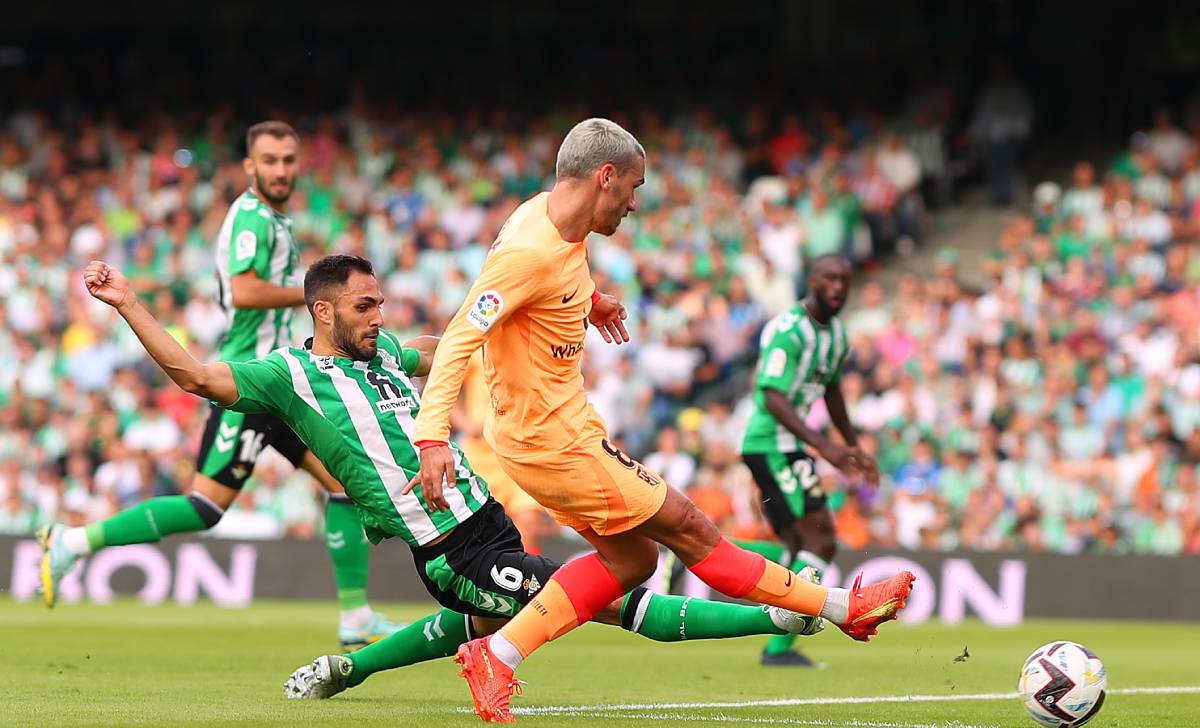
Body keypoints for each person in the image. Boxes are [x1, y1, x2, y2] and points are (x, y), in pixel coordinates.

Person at [76, 254, 825, 701]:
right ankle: (785, 617)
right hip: (449, 551)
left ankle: (348, 669)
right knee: (616, 599)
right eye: (364, 306)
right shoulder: (287, 375)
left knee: (485, 624)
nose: (379, 316)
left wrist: (541, 309)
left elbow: (453, 345)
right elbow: (195, 375)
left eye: (381, 303)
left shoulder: (384, 354)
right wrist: (128, 303)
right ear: (323, 311)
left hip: (489, 520)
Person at [410, 118, 915, 723]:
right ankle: (840, 608)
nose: (634, 202)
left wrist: (589, 301)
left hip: (550, 434)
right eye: (633, 186)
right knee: (690, 528)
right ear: (605, 177)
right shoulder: (526, 251)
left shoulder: (552, 220)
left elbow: (552, 277)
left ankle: (499, 653)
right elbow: (461, 335)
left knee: (633, 562)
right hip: (556, 444)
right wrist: (432, 436)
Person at [37, 122, 400, 649]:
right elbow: (246, 290)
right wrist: (317, 297)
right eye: (270, 160)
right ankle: (71, 541)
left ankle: (355, 616)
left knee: (343, 485)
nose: (281, 170)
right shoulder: (252, 217)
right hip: (252, 385)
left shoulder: (276, 220)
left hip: (285, 383)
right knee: (206, 507)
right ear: (250, 166)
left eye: (288, 160)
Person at [739, 254, 880, 667]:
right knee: (821, 543)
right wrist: (825, 447)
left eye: (844, 279)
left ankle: (693, 552)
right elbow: (771, 395)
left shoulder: (835, 335)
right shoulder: (789, 331)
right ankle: (777, 647)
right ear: (812, 281)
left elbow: (831, 391)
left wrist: (852, 446)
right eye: (829, 278)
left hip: (788, 446)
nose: (838, 286)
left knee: (797, 549)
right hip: (771, 444)